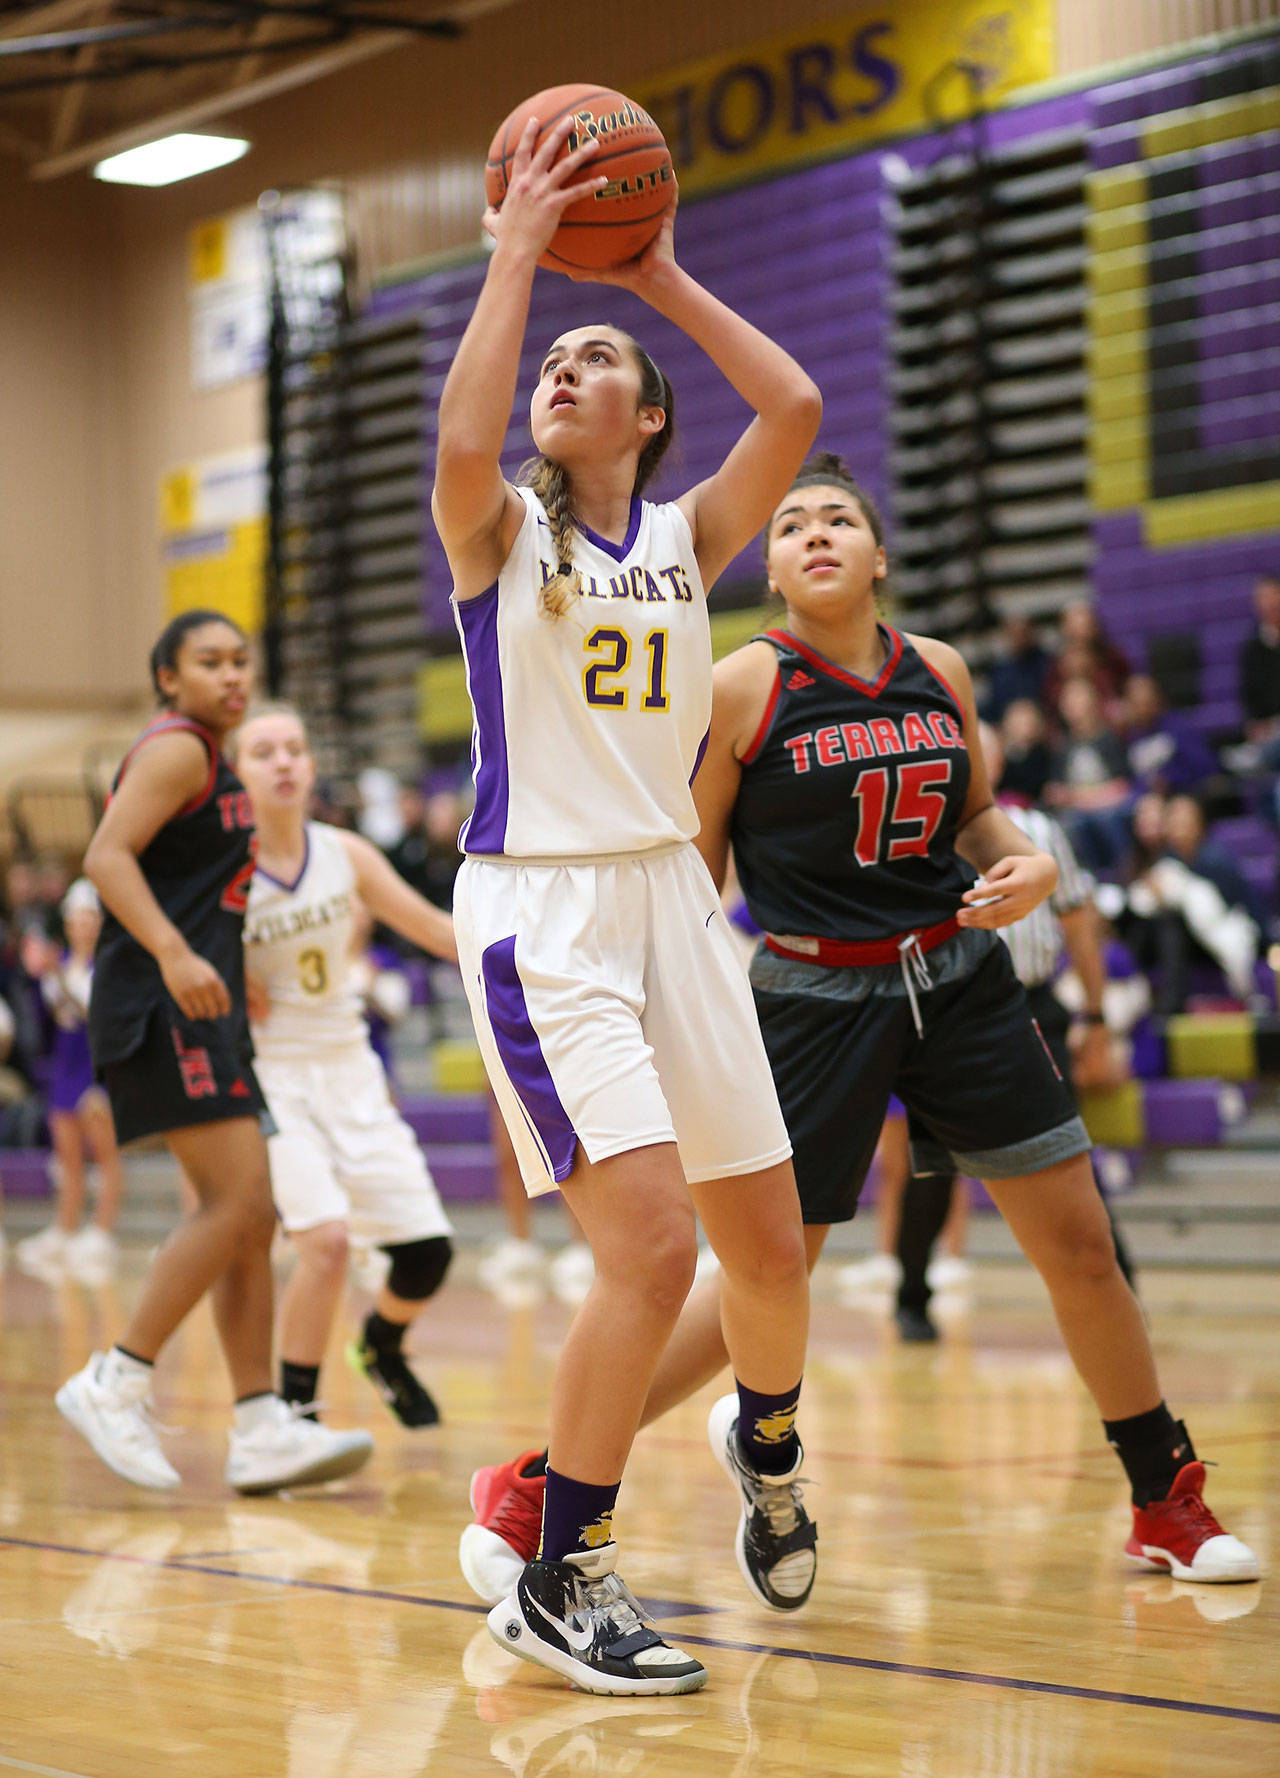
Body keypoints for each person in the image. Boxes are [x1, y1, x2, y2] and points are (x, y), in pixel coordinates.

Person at [462, 454, 1258, 1599]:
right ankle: (544, 1478)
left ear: (878, 554)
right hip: (810, 1001)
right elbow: (690, 875)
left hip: (959, 980)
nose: (814, 533)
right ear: (769, 563)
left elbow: (975, 814)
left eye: (838, 518)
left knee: (1079, 1243)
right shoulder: (738, 684)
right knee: (761, 1283)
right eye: (789, 524)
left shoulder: (938, 669)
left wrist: (1023, 862)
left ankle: (1161, 1497)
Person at [434, 113, 822, 1695]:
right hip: (546, 911)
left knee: (771, 1250)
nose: (564, 371)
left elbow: (791, 404)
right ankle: (559, 1565)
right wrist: (523, 254)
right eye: (555, 358)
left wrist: (655, 271)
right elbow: (463, 450)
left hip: (674, 898)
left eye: (600, 360)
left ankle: (766, 1442)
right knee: (651, 1251)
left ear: (651, 413)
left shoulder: (688, 532)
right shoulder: (506, 533)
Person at [54, 610, 373, 1495]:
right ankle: (114, 1379)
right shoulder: (178, 748)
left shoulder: (215, 759)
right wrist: (177, 952)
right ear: (168, 678)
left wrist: (228, 964)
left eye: (241, 660)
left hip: (207, 1006)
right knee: (233, 1206)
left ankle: (263, 1423)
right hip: (162, 1004)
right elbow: (106, 858)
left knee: (255, 1216)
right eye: (208, 662)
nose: (231, 675)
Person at [232, 703, 458, 1428]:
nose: (284, 762)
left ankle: (382, 1347)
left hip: (349, 1066)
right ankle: (294, 1416)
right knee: (325, 1243)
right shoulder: (223, 871)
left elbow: (430, 927)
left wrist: (529, 944)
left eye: (295, 748)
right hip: (273, 1075)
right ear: (237, 773)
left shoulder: (346, 852)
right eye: (264, 751)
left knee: (426, 1255)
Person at [888, 720, 1137, 1341]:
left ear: (993, 764)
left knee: (1068, 1152)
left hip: (1035, 1007)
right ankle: (911, 1293)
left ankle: (1119, 1286)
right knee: (933, 1169)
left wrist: (1097, 1018)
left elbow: (1080, 926)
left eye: (983, 753)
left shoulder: (1044, 831)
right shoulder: (921, 836)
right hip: (949, 1012)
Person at [14, 880, 125, 1283]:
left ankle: (102, 1230)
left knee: (105, 1151)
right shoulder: (56, 965)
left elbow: (99, 1017)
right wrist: (36, 976)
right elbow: (43, 1023)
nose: (83, 927)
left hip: (97, 1071)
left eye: (90, 918)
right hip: (64, 1066)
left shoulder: (110, 968)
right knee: (67, 1155)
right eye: (76, 919)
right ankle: (65, 1228)